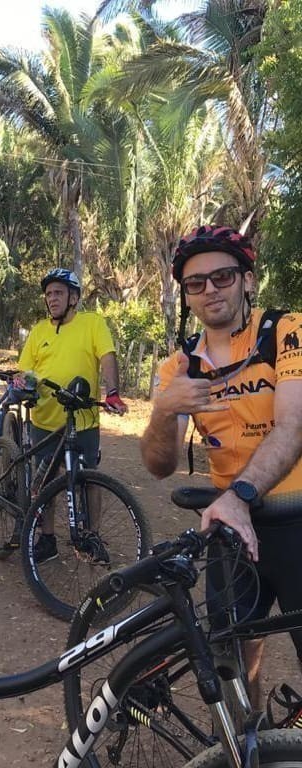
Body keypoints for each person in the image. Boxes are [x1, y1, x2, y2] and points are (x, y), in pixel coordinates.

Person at [140, 224, 302, 707]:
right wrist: (164, 410)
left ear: (247, 281)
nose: (210, 289)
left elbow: (292, 427)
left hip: (293, 519)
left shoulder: (287, 331)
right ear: (186, 296)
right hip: (231, 531)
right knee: (229, 660)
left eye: (223, 276)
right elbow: (158, 467)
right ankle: (249, 746)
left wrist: (237, 496)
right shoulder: (179, 367)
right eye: (196, 283)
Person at [18, 268, 128, 562]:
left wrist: (112, 391)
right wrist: (24, 384)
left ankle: (92, 537)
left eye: (58, 293)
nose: (51, 298)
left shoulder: (92, 323)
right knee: (45, 484)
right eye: (49, 294)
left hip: (82, 421)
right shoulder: (39, 330)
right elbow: (25, 370)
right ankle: (48, 538)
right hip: (44, 420)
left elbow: (107, 356)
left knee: (89, 479)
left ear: (74, 298)